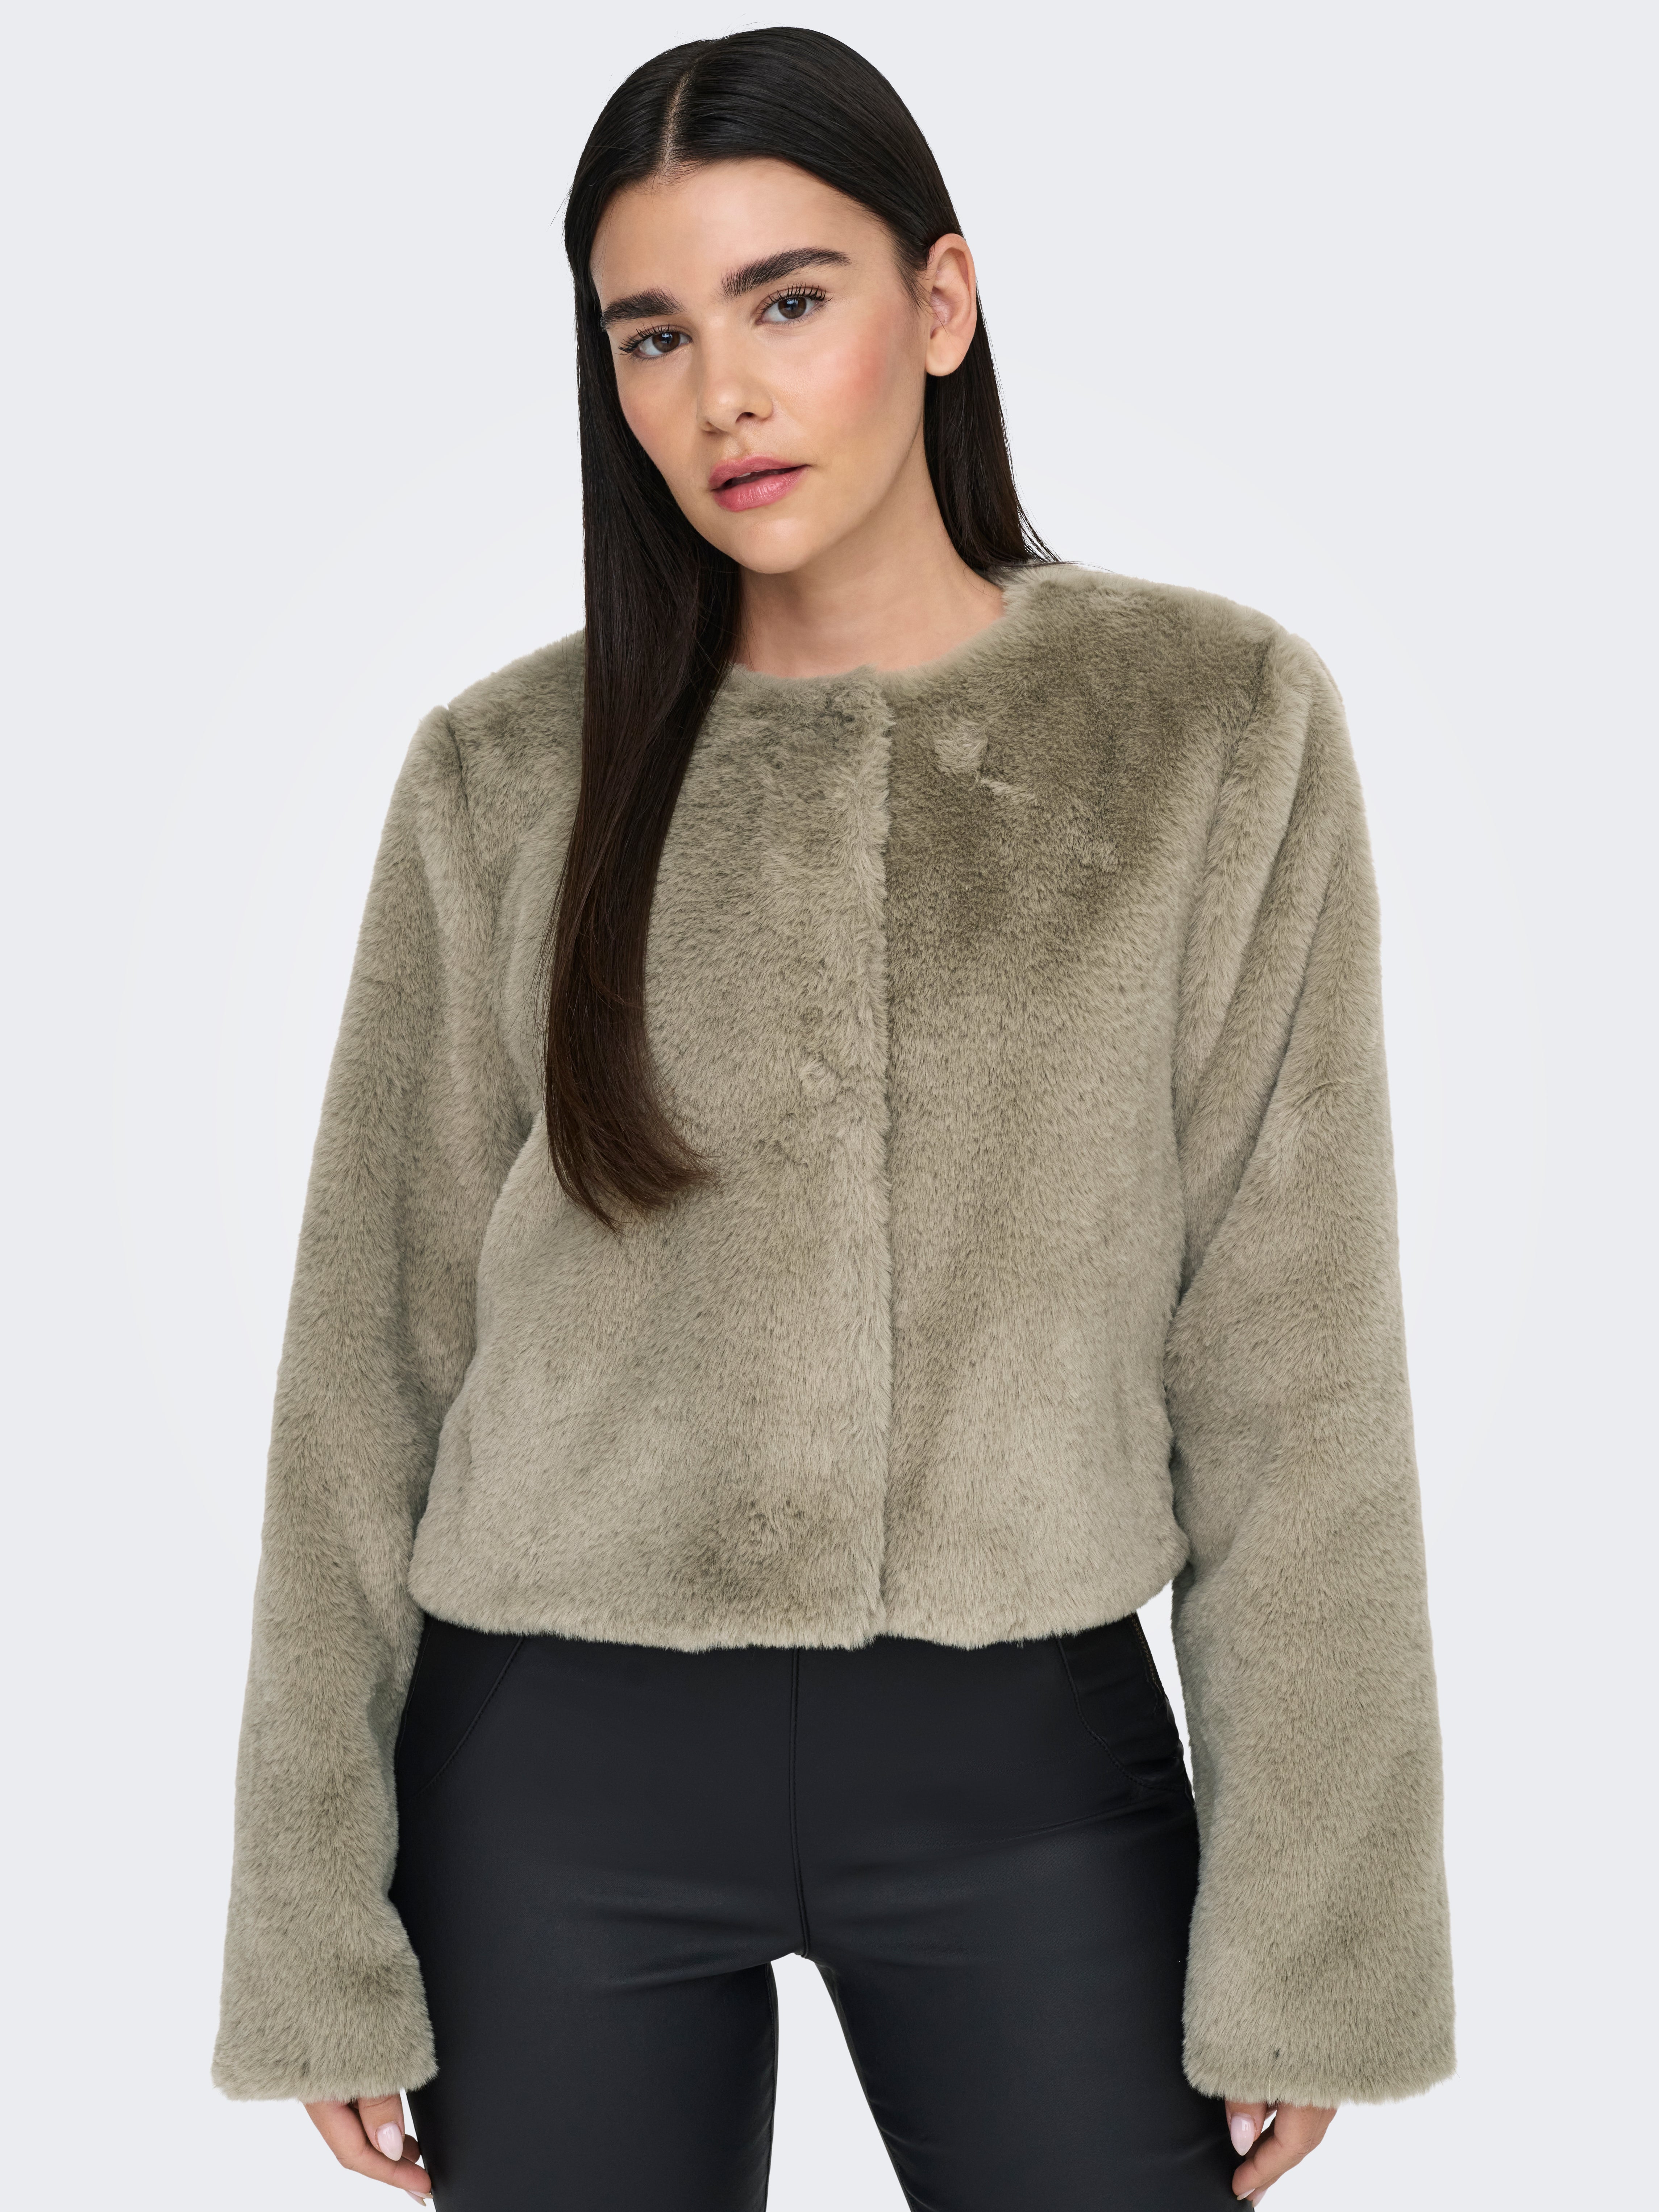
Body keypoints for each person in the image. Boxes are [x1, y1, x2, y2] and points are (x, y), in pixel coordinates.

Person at [212, 27, 1454, 2209]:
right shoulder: (505, 773)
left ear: (941, 302)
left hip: (1026, 1772)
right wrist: (309, 1927)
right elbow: (368, 1361)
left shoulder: (1207, 726)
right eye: (653, 335)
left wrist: (1312, 1938)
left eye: (787, 300)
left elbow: (1294, 1365)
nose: (726, 394)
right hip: (549, 1776)